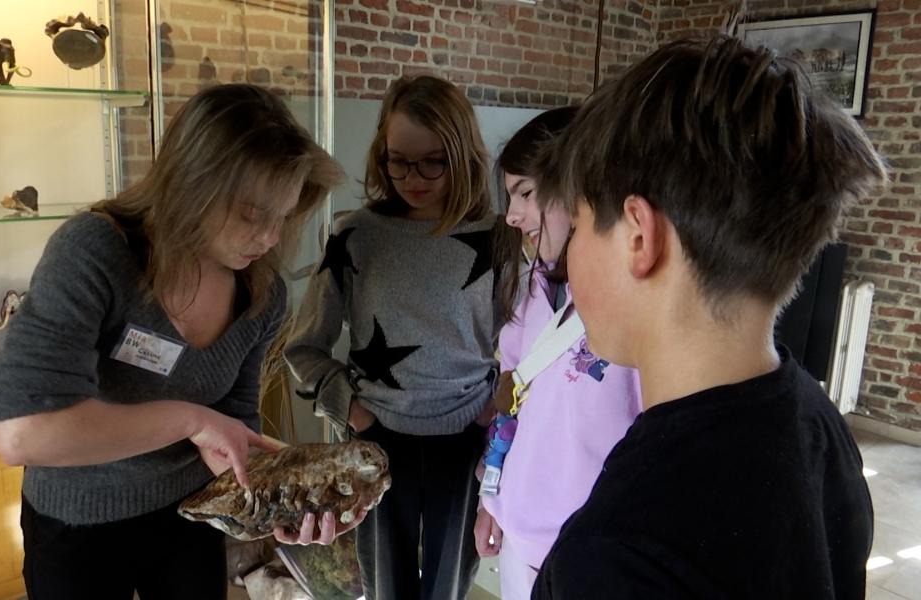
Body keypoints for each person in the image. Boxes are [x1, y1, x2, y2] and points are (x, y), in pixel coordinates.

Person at [530, 36, 884, 598]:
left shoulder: (616, 553)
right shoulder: (818, 423)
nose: (568, 251)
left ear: (639, 236)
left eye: (576, 224)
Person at [0, 84, 347, 600]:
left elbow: (234, 423)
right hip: (78, 521)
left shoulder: (261, 293)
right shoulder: (97, 251)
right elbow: (22, 435)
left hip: (186, 515)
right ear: (192, 184)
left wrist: (268, 500)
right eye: (251, 213)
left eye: (282, 216)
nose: (268, 238)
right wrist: (190, 419)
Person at [285, 74, 508, 599]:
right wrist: (355, 413)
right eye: (398, 160)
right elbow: (303, 349)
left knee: (450, 586)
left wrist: (492, 411)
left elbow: (525, 350)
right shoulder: (354, 234)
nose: (414, 177)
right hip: (377, 442)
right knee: (385, 585)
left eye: (434, 160)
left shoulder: (501, 237)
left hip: (467, 439)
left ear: (462, 154)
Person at [472, 107, 642, 599]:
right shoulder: (529, 293)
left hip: (589, 560)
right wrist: (492, 499)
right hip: (519, 544)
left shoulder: (633, 315)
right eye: (510, 197)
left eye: (526, 193)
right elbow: (512, 404)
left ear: (583, 190)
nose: (512, 215)